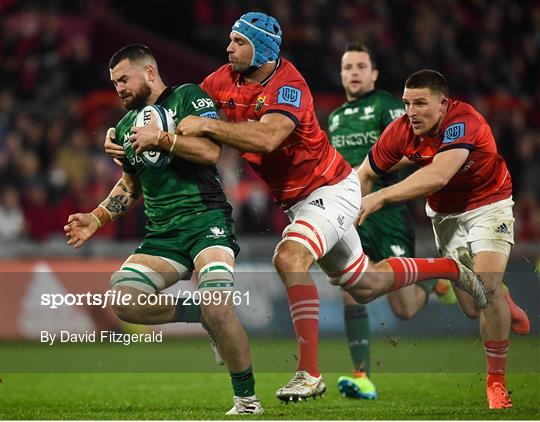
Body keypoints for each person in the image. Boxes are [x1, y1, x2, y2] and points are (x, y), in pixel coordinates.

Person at [105, 13, 487, 404]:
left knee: (288, 257)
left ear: (262, 48)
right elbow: (179, 109)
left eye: (238, 41)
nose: (228, 48)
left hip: (331, 188)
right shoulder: (220, 81)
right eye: (230, 41)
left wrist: (207, 127)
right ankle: (451, 269)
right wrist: (127, 132)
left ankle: (309, 373)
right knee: (367, 285)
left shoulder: (290, 84)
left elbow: (268, 137)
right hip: (298, 202)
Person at [65, 44, 263, 415]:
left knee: (219, 306)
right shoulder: (125, 127)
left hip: (207, 223)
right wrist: (96, 217)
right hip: (163, 236)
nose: (119, 88)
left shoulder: (188, 96)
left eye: (124, 79)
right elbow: (129, 186)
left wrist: (163, 138)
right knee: (124, 301)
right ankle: (197, 314)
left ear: (150, 73)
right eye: (114, 83)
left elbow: (209, 154)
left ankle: (247, 401)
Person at [357, 69, 530, 409]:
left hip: (489, 204)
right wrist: (348, 219)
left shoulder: (463, 122)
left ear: (443, 104)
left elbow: (438, 174)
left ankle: (495, 384)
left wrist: (379, 198)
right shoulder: (401, 131)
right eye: (407, 103)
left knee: (487, 289)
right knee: (471, 306)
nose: (411, 111)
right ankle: (499, 297)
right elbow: (365, 173)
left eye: (420, 103)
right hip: (445, 217)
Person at [328, 42, 452, 400]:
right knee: (351, 289)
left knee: (406, 308)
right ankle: (361, 376)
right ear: (340, 74)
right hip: (351, 214)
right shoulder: (334, 118)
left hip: (388, 214)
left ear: (374, 73)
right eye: (347, 66)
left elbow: (413, 152)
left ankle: (437, 280)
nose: (353, 72)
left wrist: (370, 170)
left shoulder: (386, 106)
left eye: (360, 66)